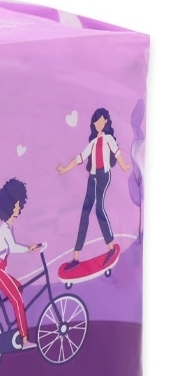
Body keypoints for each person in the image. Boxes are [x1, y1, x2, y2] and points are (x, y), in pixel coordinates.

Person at [56, 108, 132, 269]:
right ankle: (76, 256)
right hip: (92, 177)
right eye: (96, 122)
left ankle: (111, 247)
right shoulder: (92, 143)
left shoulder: (109, 139)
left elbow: (117, 153)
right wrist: (65, 169)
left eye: (100, 121)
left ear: (106, 121)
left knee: (99, 210)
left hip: (103, 176)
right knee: (85, 212)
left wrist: (124, 166)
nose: (98, 124)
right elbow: (79, 158)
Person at [0, 178, 44, 348]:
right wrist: (28, 249)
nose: (20, 208)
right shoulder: (5, 229)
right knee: (18, 301)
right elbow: (12, 246)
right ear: (10, 206)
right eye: (18, 205)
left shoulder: (9, 227)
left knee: (19, 289)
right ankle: (24, 339)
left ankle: (14, 319)